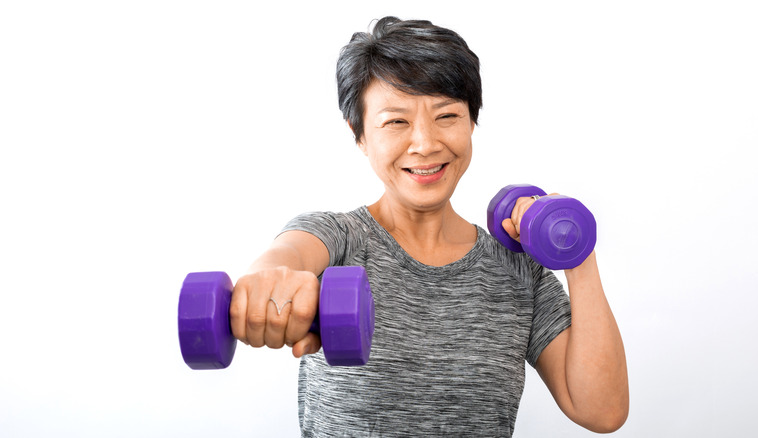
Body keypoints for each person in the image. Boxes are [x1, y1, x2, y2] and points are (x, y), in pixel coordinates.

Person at [229, 16, 629, 436]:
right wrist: (265, 283)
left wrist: (574, 251)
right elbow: (286, 256)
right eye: (396, 121)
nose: (425, 143)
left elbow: (602, 411)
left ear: (472, 122)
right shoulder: (339, 239)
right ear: (360, 134)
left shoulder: (518, 273)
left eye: (446, 116)